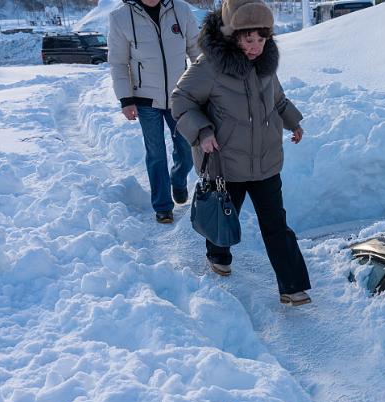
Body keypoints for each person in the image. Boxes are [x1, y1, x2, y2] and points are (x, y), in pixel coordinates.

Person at [171, 0, 312, 306]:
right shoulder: (208, 66)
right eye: (249, 39)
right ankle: (218, 254)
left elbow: (278, 99)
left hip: (265, 162)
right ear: (232, 35)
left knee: (276, 225)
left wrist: (293, 122)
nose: (255, 47)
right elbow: (180, 101)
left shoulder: (264, 66)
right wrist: (203, 132)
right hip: (227, 164)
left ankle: (292, 286)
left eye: (262, 40)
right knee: (223, 215)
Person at [108, 0, 201, 223]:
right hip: (144, 99)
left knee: (187, 149)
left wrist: (203, 87)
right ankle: (162, 206)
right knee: (156, 153)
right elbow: (118, 63)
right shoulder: (120, 17)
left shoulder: (181, 9)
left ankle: (178, 180)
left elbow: (197, 51)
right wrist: (125, 99)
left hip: (180, 97)